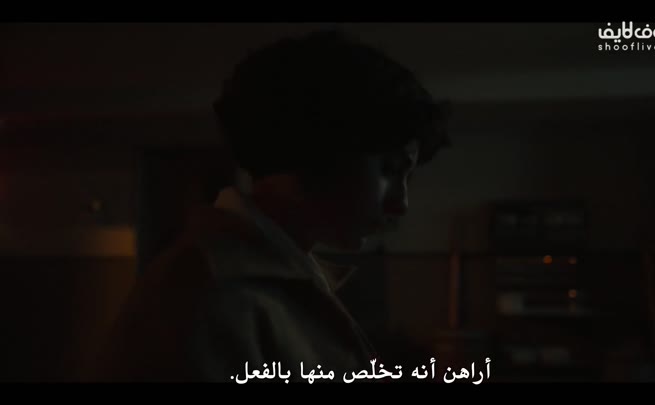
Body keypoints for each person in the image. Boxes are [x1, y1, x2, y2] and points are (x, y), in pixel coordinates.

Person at [94, 29, 450, 382]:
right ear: (316, 147)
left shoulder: (271, 277)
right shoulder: (213, 294)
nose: (401, 203)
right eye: (389, 169)